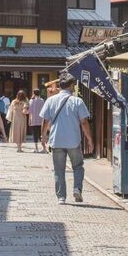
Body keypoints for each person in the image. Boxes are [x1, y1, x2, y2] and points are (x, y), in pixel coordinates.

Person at [39, 74, 94, 204]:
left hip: (56, 140)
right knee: (78, 166)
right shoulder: (77, 101)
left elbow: (45, 120)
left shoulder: (50, 100)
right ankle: (77, 189)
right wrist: (89, 139)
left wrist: (43, 136)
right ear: (70, 86)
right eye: (73, 85)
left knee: (59, 169)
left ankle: (61, 197)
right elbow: (84, 122)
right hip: (73, 141)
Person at [27, 89, 45, 153]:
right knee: (41, 134)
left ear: (34, 93)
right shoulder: (42, 100)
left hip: (34, 120)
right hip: (40, 120)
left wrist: (29, 120)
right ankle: (44, 148)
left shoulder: (31, 101)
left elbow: (30, 112)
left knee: (35, 134)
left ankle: (36, 148)